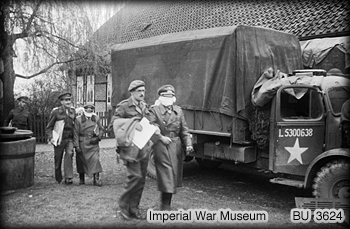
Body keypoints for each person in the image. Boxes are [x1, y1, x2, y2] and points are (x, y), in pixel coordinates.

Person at [109, 80, 151, 220]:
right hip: (130, 148)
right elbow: (114, 124)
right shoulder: (124, 106)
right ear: (132, 92)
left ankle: (134, 208)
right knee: (135, 176)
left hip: (143, 147)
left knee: (141, 179)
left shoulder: (144, 106)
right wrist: (133, 124)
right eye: (139, 91)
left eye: (143, 91)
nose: (142, 93)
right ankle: (123, 205)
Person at [148, 84, 194, 211]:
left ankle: (166, 203)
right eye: (165, 96)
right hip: (161, 145)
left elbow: (184, 129)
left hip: (176, 146)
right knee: (166, 175)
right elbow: (151, 127)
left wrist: (188, 144)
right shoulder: (154, 110)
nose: (169, 99)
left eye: (171, 96)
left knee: (173, 176)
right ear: (161, 97)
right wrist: (161, 137)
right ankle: (165, 206)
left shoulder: (178, 110)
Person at [46, 92, 76, 185]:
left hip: (69, 138)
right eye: (66, 100)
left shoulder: (73, 111)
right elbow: (49, 127)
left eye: (69, 100)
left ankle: (68, 177)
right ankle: (58, 178)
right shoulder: (56, 112)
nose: (68, 102)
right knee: (58, 159)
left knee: (70, 154)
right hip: (59, 139)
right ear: (61, 101)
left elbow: (75, 125)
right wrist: (51, 137)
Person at [74, 103, 104, 186]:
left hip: (93, 143)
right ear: (84, 110)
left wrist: (98, 138)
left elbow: (101, 129)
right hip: (82, 142)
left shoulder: (96, 119)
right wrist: (76, 146)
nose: (89, 110)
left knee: (95, 159)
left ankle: (96, 179)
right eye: (87, 109)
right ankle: (81, 179)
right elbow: (75, 133)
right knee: (81, 160)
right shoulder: (78, 119)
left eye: (91, 109)